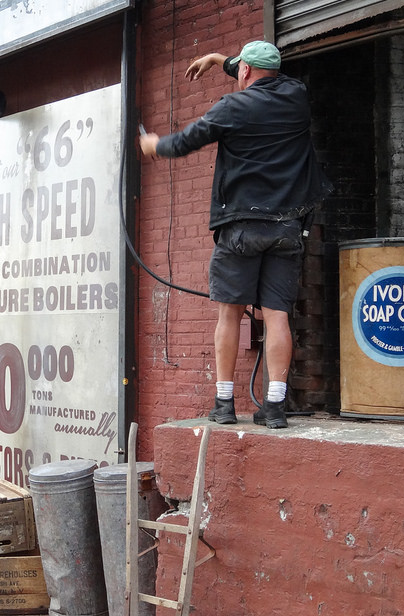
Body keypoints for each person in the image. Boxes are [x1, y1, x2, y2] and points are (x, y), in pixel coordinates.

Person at [139, 41, 331, 429]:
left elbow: (187, 140)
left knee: (229, 314)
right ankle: (275, 407)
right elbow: (262, 77)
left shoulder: (233, 109)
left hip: (242, 226)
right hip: (287, 226)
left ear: (244, 71)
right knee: (278, 315)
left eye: (238, 68)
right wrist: (218, 59)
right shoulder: (297, 97)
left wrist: (154, 145)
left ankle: (224, 404)